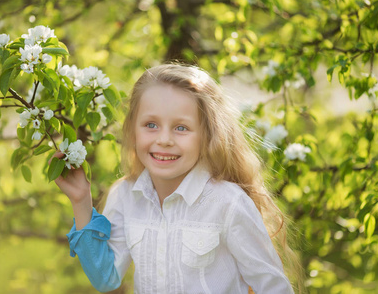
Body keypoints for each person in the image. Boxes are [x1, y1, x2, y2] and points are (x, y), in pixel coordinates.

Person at [53, 63, 302, 293]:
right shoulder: (126, 196)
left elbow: (273, 287)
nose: (164, 139)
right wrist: (81, 200)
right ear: (132, 129)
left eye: (181, 128)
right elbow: (105, 278)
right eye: (151, 125)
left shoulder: (227, 203)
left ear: (206, 135)